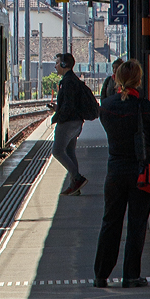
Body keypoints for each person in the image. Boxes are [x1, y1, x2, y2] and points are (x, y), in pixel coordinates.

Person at [93, 59, 150, 288]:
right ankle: (131, 275)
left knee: (110, 221)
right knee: (137, 223)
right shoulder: (143, 106)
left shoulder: (106, 106)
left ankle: (101, 274)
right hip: (140, 171)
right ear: (138, 80)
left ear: (116, 79)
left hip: (114, 170)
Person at [52, 53, 88, 195]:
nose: (55, 66)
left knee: (57, 151)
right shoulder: (73, 80)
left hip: (68, 123)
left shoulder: (67, 82)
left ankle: (77, 178)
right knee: (69, 151)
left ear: (63, 64)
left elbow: (68, 104)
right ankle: (74, 186)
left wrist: (59, 116)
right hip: (76, 122)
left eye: (57, 63)